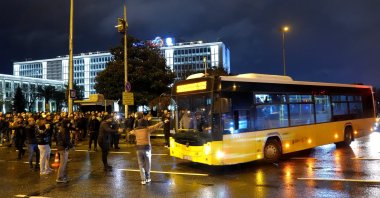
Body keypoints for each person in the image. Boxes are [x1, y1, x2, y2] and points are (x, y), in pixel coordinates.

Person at [130, 112, 164, 185]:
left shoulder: (136, 130)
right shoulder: (147, 129)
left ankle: (143, 180)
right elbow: (156, 126)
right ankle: (148, 178)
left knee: (141, 164)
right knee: (147, 164)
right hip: (146, 148)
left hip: (138, 149)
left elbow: (131, 132)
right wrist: (163, 122)